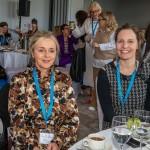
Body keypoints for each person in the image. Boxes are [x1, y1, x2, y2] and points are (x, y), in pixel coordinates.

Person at [8, 31, 79, 150]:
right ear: (32, 52)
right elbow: (17, 123)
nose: (47, 55)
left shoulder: (64, 80)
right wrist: (33, 146)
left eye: (51, 50)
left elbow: (72, 119)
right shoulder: (19, 81)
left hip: (58, 146)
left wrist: (57, 142)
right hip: (28, 146)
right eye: (41, 50)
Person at [97, 23, 150, 130]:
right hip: (113, 128)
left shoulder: (148, 70)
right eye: (120, 41)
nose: (125, 46)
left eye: (130, 41)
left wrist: (136, 129)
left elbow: (148, 107)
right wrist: (122, 129)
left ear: (138, 44)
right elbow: (107, 109)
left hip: (140, 128)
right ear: (116, 44)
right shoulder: (105, 72)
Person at [72, 2, 102, 105]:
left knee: (99, 73)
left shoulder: (103, 21)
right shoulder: (88, 21)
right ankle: (93, 97)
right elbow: (78, 33)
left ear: (100, 10)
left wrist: (90, 38)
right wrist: (73, 28)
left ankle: (96, 98)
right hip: (89, 50)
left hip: (100, 50)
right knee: (90, 73)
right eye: (92, 12)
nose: (94, 13)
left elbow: (105, 35)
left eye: (96, 11)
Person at [91, 12, 118, 108]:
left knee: (106, 86)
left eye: (100, 19)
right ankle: (95, 104)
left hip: (107, 61)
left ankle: (105, 106)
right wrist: (91, 42)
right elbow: (94, 41)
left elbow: (113, 45)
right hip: (96, 60)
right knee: (95, 83)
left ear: (107, 20)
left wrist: (99, 45)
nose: (98, 21)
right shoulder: (99, 30)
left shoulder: (113, 31)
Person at [70, 10, 88, 82]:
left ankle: (81, 79)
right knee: (82, 65)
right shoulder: (82, 25)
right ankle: (81, 79)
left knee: (81, 64)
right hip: (82, 46)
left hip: (83, 47)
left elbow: (79, 36)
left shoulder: (84, 26)